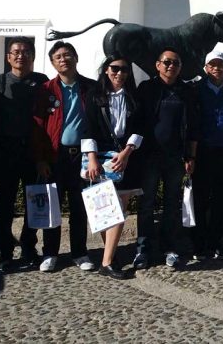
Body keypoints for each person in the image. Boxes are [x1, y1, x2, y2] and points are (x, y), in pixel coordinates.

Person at [32, 41, 97, 272]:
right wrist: (41, 159)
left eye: (68, 55)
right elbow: (38, 126)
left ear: (76, 58)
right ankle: (50, 253)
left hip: (81, 157)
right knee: (53, 207)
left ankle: (80, 252)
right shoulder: (46, 90)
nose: (63, 59)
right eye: (58, 56)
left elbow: (98, 123)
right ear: (52, 63)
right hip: (54, 156)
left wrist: (93, 155)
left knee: (79, 207)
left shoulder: (90, 88)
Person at [133, 48, 199, 269]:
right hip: (149, 156)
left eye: (176, 63)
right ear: (158, 65)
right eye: (167, 62)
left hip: (175, 157)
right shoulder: (146, 88)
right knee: (146, 205)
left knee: (172, 205)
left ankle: (170, 248)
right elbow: (137, 122)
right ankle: (142, 249)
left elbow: (193, 127)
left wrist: (191, 155)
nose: (171, 66)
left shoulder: (186, 91)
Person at [0, 37, 49, 272]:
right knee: (5, 205)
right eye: (15, 52)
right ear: (8, 57)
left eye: (25, 52)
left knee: (33, 203)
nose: (20, 55)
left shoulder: (42, 82)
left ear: (33, 56)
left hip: (33, 151)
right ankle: (5, 252)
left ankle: (29, 247)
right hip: (7, 152)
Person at [82, 55, 143, 280]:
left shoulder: (133, 97)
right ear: (106, 70)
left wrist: (127, 152)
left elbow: (139, 127)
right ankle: (109, 258)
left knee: (119, 210)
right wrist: (92, 158)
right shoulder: (95, 96)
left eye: (124, 69)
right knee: (106, 210)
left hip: (126, 157)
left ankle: (108, 259)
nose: (120, 73)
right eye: (115, 68)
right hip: (101, 157)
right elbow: (87, 128)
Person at [192, 51, 223, 260]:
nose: (217, 68)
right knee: (200, 198)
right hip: (203, 151)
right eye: (212, 65)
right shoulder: (196, 90)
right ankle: (199, 242)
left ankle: (216, 240)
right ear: (206, 68)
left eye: (221, 65)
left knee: (221, 199)